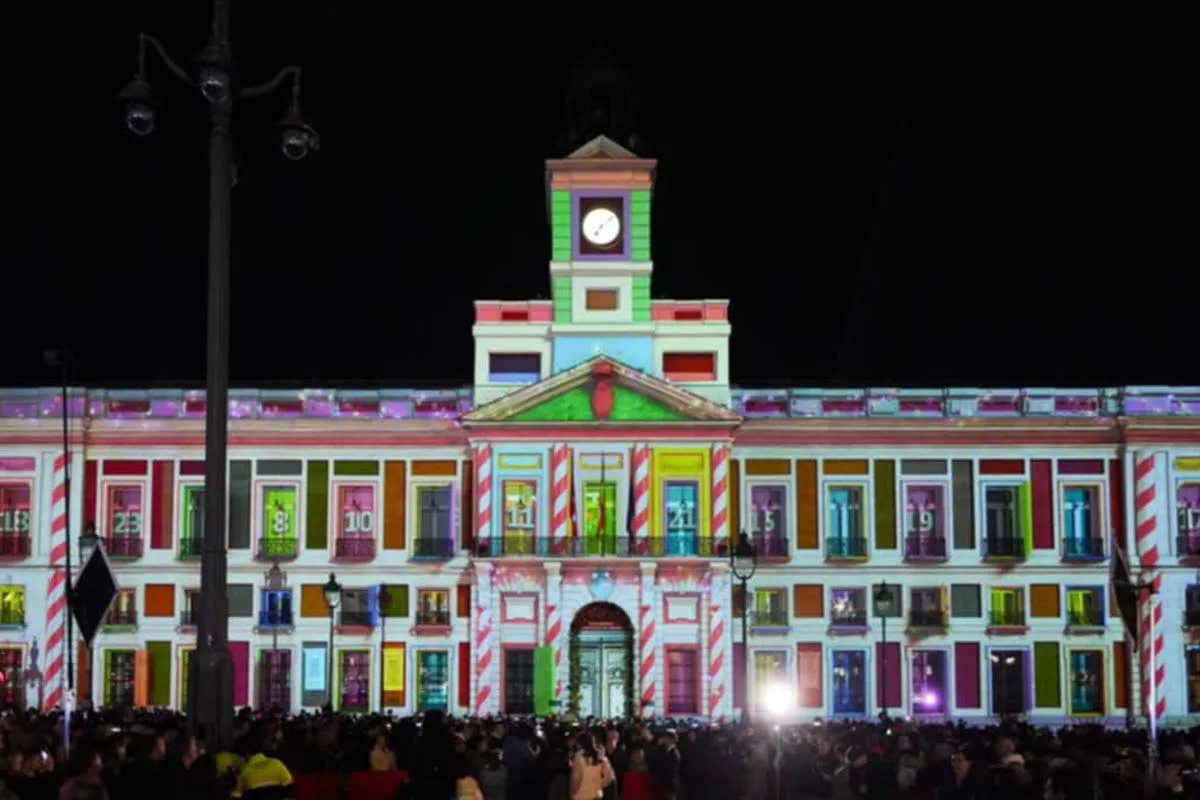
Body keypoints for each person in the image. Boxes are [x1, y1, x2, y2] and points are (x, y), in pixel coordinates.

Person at [571, 732, 615, 800]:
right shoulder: (601, 758)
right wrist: (599, 785)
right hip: (597, 795)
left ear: (580, 744)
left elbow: (576, 780)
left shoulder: (579, 758)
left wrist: (573, 793)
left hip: (582, 796)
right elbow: (610, 777)